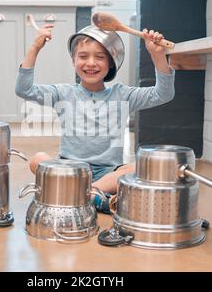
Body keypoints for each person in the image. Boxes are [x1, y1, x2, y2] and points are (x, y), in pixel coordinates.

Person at [15, 23, 175, 214]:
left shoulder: (123, 94)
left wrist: (158, 56)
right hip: (69, 170)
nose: (91, 63)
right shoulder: (62, 93)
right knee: (37, 159)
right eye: (83, 56)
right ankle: (94, 196)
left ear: (110, 63)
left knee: (139, 169)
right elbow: (24, 89)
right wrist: (35, 48)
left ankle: (80, 193)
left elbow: (163, 94)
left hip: (108, 172)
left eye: (100, 57)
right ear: (73, 61)